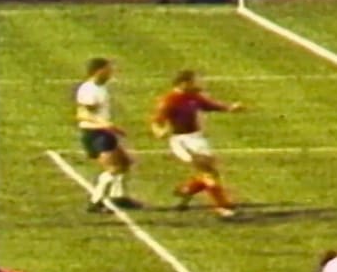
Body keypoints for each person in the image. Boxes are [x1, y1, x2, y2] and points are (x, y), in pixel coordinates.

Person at [151, 70, 243, 218]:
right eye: (194, 81)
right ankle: (222, 206)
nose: (198, 84)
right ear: (183, 83)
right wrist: (159, 131)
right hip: (182, 141)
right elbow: (157, 121)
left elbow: (209, 105)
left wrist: (230, 108)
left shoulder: (193, 96)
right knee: (208, 172)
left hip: (197, 138)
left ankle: (187, 189)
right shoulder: (169, 100)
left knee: (212, 171)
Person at [76, 57, 141, 213]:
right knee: (113, 168)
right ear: (98, 71)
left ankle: (118, 196)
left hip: (104, 132)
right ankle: (95, 201)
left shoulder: (100, 87)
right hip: (95, 133)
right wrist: (105, 124)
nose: (111, 73)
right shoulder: (89, 90)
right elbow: (82, 114)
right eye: (108, 69)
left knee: (125, 163)